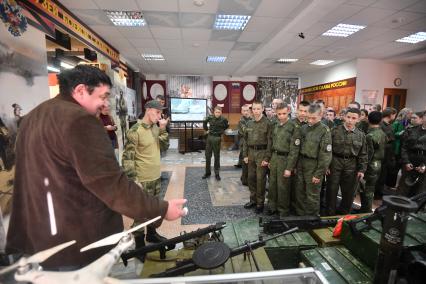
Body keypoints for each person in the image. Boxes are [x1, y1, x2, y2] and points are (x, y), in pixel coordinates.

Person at [6, 65, 186, 270]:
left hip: (39, 235)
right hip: (75, 239)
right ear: (81, 90)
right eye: (103, 96)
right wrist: (162, 209)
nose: (105, 104)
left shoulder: (33, 117)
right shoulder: (80, 120)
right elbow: (111, 184)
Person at [122, 99, 170, 245]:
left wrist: (162, 128)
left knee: (153, 209)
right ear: (148, 110)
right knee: (140, 213)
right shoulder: (135, 130)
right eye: (157, 112)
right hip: (142, 179)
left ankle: (151, 234)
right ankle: (139, 244)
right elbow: (127, 158)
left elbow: (164, 146)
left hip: (156, 177)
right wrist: (133, 180)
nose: (159, 115)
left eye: (161, 113)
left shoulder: (155, 128)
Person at [326, 108, 368, 215]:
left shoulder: (361, 135)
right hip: (335, 162)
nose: (350, 120)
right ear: (344, 117)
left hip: (352, 165)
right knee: (331, 190)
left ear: (358, 120)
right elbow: (327, 150)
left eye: (353, 118)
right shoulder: (334, 131)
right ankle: (329, 215)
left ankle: (344, 216)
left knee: (348, 192)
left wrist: (362, 170)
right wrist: (326, 166)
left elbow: (363, 154)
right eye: (348, 117)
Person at [295, 104, 332, 216]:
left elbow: (325, 155)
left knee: (312, 194)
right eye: (308, 118)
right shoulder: (303, 128)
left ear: (320, 115)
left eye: (313, 118)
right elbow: (297, 148)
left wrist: (318, 174)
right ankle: (300, 215)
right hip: (301, 162)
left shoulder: (324, 131)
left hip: (314, 164)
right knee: (299, 191)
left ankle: (311, 218)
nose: (310, 120)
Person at [267, 103, 300, 217]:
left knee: (283, 187)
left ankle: (283, 210)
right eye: (279, 114)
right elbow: (271, 143)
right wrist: (270, 159)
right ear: (276, 113)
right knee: (272, 184)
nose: (281, 116)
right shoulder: (275, 124)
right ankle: (272, 206)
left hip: (286, 159)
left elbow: (294, 150)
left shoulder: (293, 127)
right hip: (275, 157)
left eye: (284, 114)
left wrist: (289, 168)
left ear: (289, 111)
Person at [243, 101, 272, 213]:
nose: (256, 111)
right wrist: (245, 154)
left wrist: (266, 158)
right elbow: (245, 140)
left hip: (262, 153)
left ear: (262, 109)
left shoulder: (267, 123)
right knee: (251, 178)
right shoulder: (249, 123)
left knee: (260, 179)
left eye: (258, 109)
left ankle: (260, 203)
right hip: (251, 153)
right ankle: (253, 200)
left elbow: (270, 142)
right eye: (254, 109)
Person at [360, 111, 386, 213]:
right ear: (380, 120)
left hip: (370, 165)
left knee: (367, 189)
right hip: (378, 164)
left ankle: (366, 211)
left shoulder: (369, 136)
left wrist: (363, 167)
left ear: (368, 120)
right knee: (371, 188)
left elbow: (368, 154)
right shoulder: (382, 133)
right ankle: (366, 210)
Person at [397, 110, 426, 197]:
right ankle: (398, 209)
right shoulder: (411, 130)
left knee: (419, 191)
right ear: (423, 118)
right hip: (410, 161)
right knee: (403, 188)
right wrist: (406, 162)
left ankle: (413, 210)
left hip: (423, 164)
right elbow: (404, 147)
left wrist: (425, 165)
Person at [375, 107, 397, 198]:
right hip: (381, 153)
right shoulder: (381, 125)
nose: (395, 116)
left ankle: (379, 191)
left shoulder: (389, 125)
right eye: (394, 114)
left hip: (387, 154)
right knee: (379, 175)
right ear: (390, 115)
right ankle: (376, 193)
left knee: (383, 175)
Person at [202, 106, 229, 180]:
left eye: (219, 112)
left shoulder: (224, 119)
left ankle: (217, 173)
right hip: (210, 137)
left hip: (217, 138)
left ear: (221, 113)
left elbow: (227, 126)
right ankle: (207, 173)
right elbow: (204, 122)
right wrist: (206, 129)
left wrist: (221, 131)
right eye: (216, 112)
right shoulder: (210, 117)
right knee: (207, 156)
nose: (217, 114)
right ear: (214, 112)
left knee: (217, 156)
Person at [235, 105, 252, 185]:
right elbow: (244, 131)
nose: (246, 112)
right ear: (241, 112)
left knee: (249, 161)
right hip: (243, 142)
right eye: (244, 111)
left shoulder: (252, 119)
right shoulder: (241, 121)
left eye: (247, 110)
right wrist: (253, 130)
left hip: (251, 142)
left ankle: (246, 177)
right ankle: (244, 179)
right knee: (244, 161)